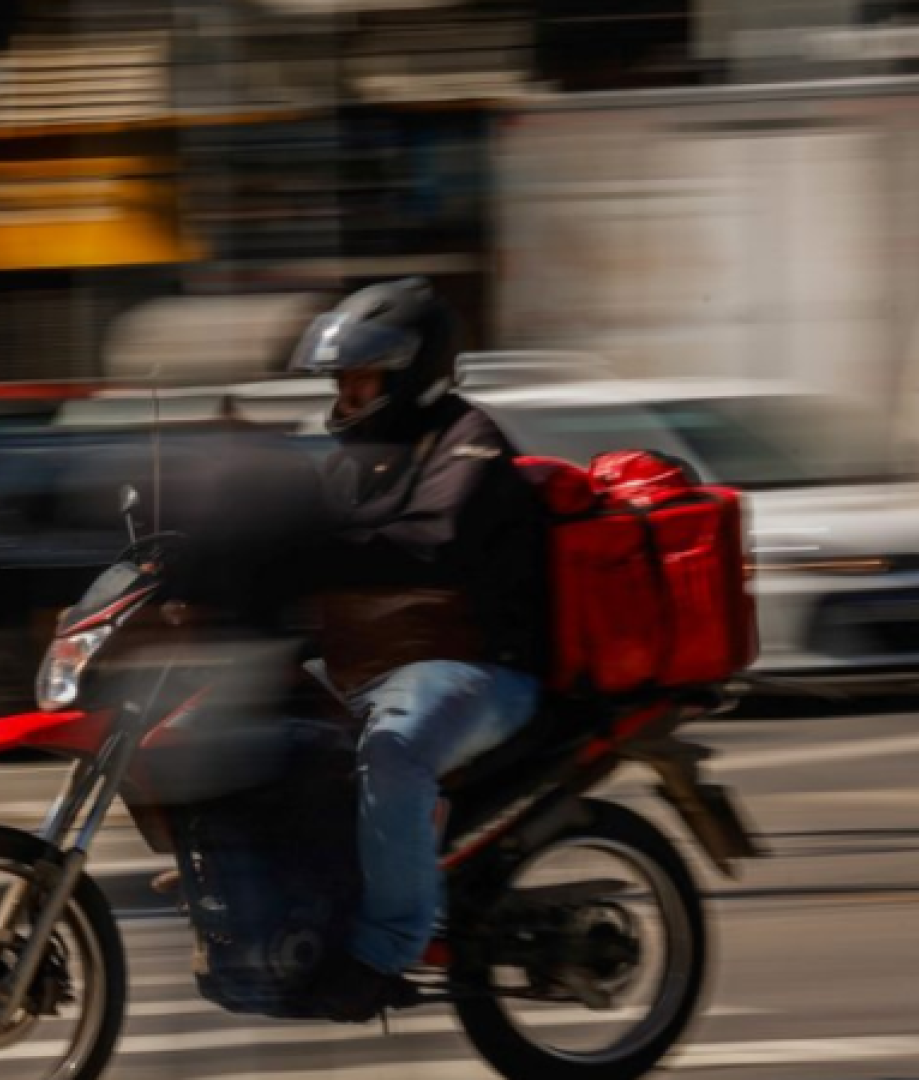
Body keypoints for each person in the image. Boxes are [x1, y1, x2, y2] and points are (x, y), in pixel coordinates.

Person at [291, 278, 546, 1021]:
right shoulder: (351, 462)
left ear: (411, 373)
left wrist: (308, 553)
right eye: (341, 379)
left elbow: (432, 540)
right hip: (377, 665)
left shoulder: (467, 440)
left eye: (362, 378)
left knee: (392, 749)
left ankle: (385, 950)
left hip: (477, 668)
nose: (346, 393)